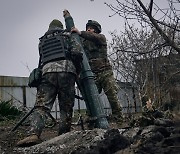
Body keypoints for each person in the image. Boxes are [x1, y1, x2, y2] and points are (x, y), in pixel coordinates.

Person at [17, 19, 83, 147]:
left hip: (47, 73)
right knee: (66, 106)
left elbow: (42, 59)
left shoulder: (42, 41)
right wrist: (77, 70)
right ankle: (63, 135)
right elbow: (77, 52)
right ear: (61, 27)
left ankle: (33, 134)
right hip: (67, 71)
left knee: (42, 105)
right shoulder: (67, 35)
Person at [71, 20, 123, 122]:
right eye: (88, 28)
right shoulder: (83, 41)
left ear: (96, 30)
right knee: (91, 97)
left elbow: (93, 36)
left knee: (112, 95)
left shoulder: (100, 38)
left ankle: (119, 118)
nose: (89, 29)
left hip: (105, 72)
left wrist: (80, 32)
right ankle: (92, 118)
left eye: (92, 28)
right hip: (92, 74)